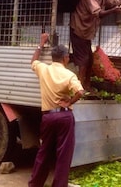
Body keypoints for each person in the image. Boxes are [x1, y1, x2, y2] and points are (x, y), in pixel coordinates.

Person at [28, 33, 85, 187]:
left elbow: (33, 61)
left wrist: (41, 44)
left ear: (53, 57)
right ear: (65, 58)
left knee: (44, 151)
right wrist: (69, 101)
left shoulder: (43, 70)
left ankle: (35, 184)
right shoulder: (69, 75)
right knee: (63, 155)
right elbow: (80, 91)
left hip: (47, 117)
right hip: (64, 117)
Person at [70, 0, 121, 90]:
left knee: (90, 60)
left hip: (87, 32)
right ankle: (78, 88)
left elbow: (115, 2)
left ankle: (86, 86)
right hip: (79, 30)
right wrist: (114, 10)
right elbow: (99, 14)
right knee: (83, 60)